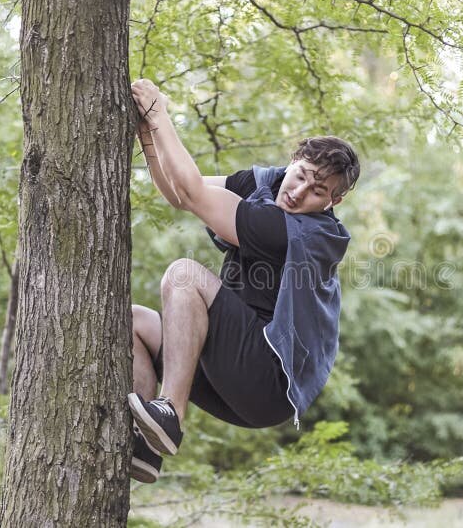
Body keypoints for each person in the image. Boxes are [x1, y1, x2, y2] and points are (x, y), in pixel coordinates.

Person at [127, 79, 360, 483]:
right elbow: (177, 194)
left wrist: (159, 114)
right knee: (126, 323)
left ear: (332, 201)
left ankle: (170, 412)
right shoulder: (265, 185)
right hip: (231, 371)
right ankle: (147, 447)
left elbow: (193, 192)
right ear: (292, 161)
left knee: (184, 276)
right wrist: (147, 131)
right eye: (300, 174)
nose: (299, 191)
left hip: (266, 379)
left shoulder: (300, 231)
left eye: (317, 189)